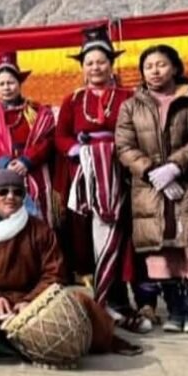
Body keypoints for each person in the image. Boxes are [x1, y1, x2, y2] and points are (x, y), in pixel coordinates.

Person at [0, 169, 141, 356]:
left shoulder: (40, 229)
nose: (10, 197)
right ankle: (4, 341)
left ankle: (104, 338)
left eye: (17, 192)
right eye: (3, 191)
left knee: (79, 302)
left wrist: (29, 301)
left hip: (34, 300)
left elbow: (54, 272)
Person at [54, 25, 152, 332]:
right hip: (88, 177)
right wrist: (76, 152)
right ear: (82, 67)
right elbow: (61, 136)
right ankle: (108, 300)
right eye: (90, 62)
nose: (96, 67)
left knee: (125, 237)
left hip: (122, 173)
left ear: (111, 64)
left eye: (101, 61)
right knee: (94, 238)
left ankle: (128, 299)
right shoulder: (73, 100)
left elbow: (140, 132)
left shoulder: (129, 96)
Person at [116, 45, 188, 334]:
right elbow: (123, 145)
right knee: (160, 247)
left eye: (161, 64)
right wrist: (151, 171)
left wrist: (174, 168)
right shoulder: (131, 105)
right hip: (149, 187)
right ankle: (174, 310)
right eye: (149, 66)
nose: (155, 71)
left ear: (175, 67)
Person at [0, 51, 56, 224]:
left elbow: (47, 140)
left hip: (35, 172)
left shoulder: (38, 112)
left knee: (38, 221)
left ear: (19, 83)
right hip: (2, 174)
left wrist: (27, 161)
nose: (6, 87)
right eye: (1, 84)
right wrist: (4, 162)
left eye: (11, 82)